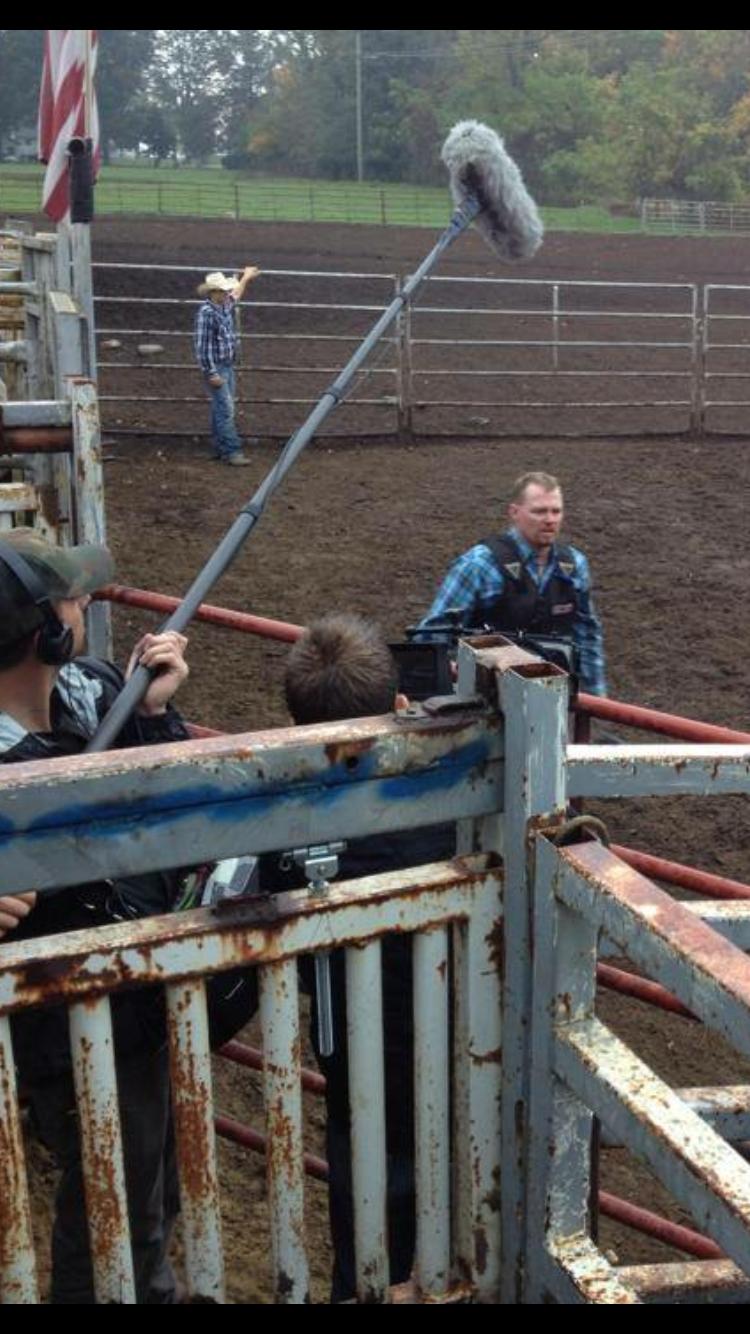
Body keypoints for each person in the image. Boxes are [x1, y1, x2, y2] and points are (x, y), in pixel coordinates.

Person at [0, 526, 191, 1304]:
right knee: (110, 1202)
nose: (86, 606)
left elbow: (171, 815)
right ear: (47, 630)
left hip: (129, 987)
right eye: (75, 599)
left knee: (148, 1182)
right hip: (56, 1011)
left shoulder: (93, 690)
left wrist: (150, 715)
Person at [259, 613, 455, 1302]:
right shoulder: (453, 797)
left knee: (368, 1239)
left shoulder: (289, 816)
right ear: (400, 707)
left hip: (357, 1075)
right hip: (460, 1060)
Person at [417, 470, 607, 696]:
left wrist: (597, 701)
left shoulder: (574, 565)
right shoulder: (480, 565)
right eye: (539, 511)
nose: (550, 520)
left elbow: (587, 637)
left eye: (556, 511)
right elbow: (430, 637)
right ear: (514, 512)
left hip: (552, 696)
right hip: (485, 698)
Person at [193, 266, 261, 466]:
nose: (226, 294)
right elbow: (202, 347)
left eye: (225, 291)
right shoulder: (207, 313)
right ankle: (232, 451)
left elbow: (236, 294)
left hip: (225, 365)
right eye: (222, 291)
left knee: (221, 407)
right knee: (225, 408)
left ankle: (220, 447)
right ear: (213, 292)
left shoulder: (221, 306)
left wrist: (246, 277)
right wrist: (211, 372)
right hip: (217, 367)